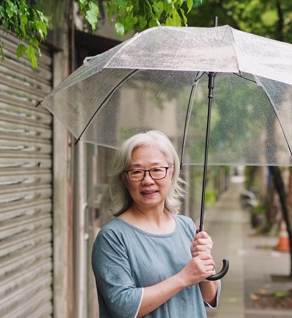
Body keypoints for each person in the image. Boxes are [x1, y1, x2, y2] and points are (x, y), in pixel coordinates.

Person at [92, 130, 221, 318]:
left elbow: (210, 297)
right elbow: (123, 307)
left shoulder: (187, 227)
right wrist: (183, 278)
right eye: (136, 172)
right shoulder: (113, 237)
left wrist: (204, 260)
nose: (147, 180)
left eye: (157, 170)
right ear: (124, 179)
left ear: (171, 173)